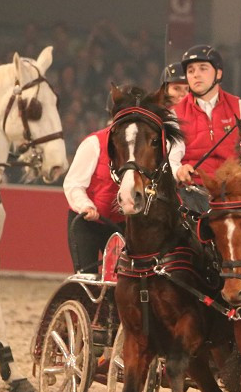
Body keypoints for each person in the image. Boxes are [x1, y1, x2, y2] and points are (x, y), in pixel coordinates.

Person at [62, 91, 184, 272]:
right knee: (86, 275)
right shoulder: (94, 143)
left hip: (121, 223)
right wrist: (86, 206)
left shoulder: (145, 145)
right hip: (88, 222)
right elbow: (73, 184)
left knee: (123, 275)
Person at [172, 45, 241, 187]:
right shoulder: (174, 114)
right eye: (190, 70)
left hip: (236, 191)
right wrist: (178, 171)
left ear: (218, 74)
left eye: (203, 68)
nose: (196, 74)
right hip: (193, 191)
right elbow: (170, 159)